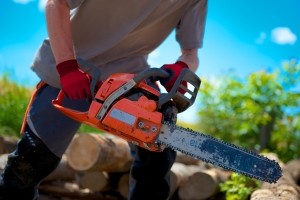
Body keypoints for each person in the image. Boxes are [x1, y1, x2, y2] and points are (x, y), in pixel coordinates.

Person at [0, 0, 207, 199]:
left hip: (130, 77)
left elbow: (190, 53)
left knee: (158, 147)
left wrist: (182, 68)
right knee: (29, 164)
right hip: (72, 65)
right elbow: (56, 3)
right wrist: (67, 67)